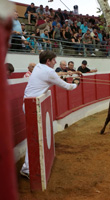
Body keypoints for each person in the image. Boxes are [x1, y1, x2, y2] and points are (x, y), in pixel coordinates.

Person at [20, 50, 78, 179]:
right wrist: (76, 83)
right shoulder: (48, 72)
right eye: (54, 60)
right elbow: (67, 87)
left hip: (29, 103)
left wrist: (64, 73)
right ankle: (27, 168)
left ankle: (29, 166)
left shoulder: (39, 67)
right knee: (34, 137)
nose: (55, 62)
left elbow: (53, 75)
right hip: (33, 106)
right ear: (48, 61)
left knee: (35, 136)